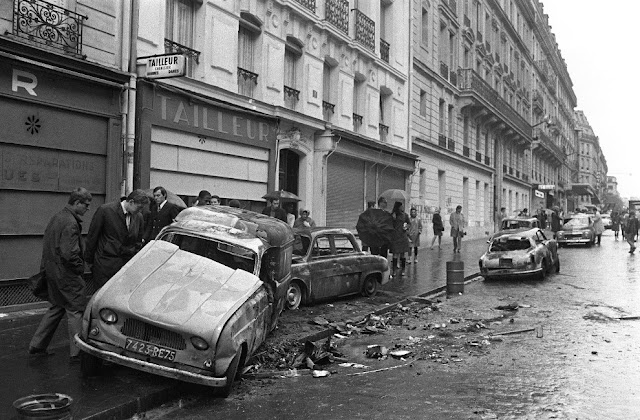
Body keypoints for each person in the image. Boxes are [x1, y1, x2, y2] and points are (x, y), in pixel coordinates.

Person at [29, 188, 92, 361]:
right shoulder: (70, 222)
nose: (88, 209)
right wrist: (80, 267)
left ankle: (37, 345)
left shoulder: (57, 217)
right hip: (66, 274)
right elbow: (69, 254)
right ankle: (78, 353)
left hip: (52, 272)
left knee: (56, 307)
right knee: (75, 309)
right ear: (77, 203)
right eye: (86, 205)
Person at [86, 189, 149, 288]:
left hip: (125, 268)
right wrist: (90, 261)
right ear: (131, 202)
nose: (140, 211)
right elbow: (92, 237)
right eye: (139, 207)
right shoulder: (106, 211)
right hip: (105, 266)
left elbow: (138, 241)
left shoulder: (138, 217)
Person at [390, 202, 410, 275]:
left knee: (403, 254)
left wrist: (406, 227)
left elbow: (409, 223)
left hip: (403, 236)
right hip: (395, 236)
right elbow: (389, 224)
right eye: (401, 206)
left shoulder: (405, 215)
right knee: (395, 254)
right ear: (398, 207)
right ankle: (394, 270)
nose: (402, 207)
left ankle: (403, 269)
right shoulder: (393, 215)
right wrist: (393, 218)